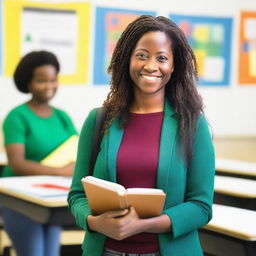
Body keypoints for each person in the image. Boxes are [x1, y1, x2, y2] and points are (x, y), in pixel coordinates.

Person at [68, 15, 215, 256]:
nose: (151, 66)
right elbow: (76, 195)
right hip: (105, 251)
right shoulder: (98, 120)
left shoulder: (191, 123)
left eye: (162, 58)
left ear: (174, 65)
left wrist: (143, 225)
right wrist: (96, 222)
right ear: (128, 59)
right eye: (143, 55)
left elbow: (201, 206)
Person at [1, 50, 77, 256]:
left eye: (53, 79)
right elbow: (17, 164)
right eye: (42, 80)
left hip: (51, 199)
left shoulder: (62, 117)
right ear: (28, 82)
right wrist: (61, 171)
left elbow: (78, 148)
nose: (49, 86)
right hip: (20, 199)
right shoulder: (17, 117)